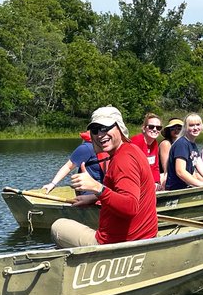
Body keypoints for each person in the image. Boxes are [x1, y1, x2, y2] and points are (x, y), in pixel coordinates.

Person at [53, 105, 157, 247]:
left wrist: (97, 187)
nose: (100, 135)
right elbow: (122, 190)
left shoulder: (123, 160)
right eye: (95, 130)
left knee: (58, 226)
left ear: (119, 127)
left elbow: (131, 206)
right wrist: (94, 197)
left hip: (120, 242)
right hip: (146, 235)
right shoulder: (132, 149)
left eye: (105, 128)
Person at [167, 113, 203, 190]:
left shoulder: (192, 144)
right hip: (177, 189)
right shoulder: (182, 144)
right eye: (191, 125)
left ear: (201, 126)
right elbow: (180, 171)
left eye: (198, 124)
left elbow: (202, 169)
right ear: (185, 127)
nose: (195, 128)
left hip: (187, 187)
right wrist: (200, 183)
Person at [128, 112, 165, 190]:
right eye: (151, 127)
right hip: (133, 181)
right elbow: (133, 168)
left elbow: (155, 167)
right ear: (144, 128)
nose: (155, 130)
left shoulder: (154, 143)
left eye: (158, 128)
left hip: (146, 182)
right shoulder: (136, 141)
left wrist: (156, 182)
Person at [158, 118, 183, 185]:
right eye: (173, 128)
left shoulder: (183, 144)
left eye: (179, 128)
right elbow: (166, 168)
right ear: (169, 131)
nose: (176, 130)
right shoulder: (166, 144)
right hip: (165, 176)